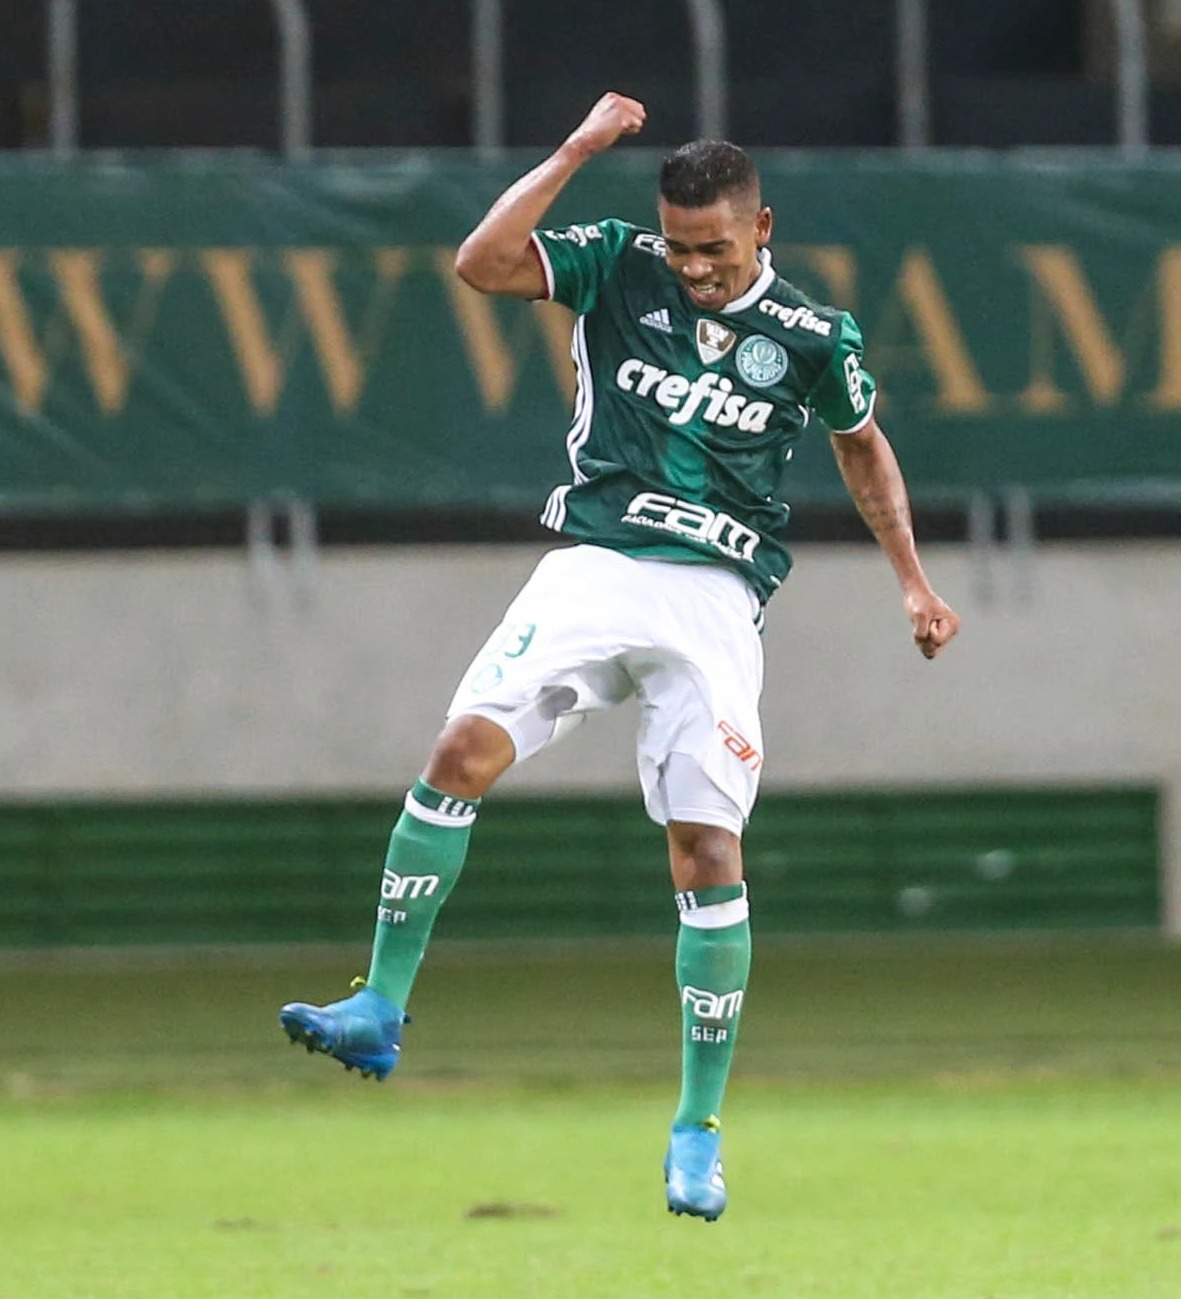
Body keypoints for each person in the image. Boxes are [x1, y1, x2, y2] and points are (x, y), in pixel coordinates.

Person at [279, 91, 959, 1221]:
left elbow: (862, 451)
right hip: (594, 563)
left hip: (715, 598)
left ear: (761, 230)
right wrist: (580, 149)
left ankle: (696, 1130)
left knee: (704, 854)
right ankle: (380, 1009)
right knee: (458, 751)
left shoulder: (810, 339)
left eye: (715, 246)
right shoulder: (615, 264)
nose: (692, 266)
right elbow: (482, 262)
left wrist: (913, 581)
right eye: (680, 244)